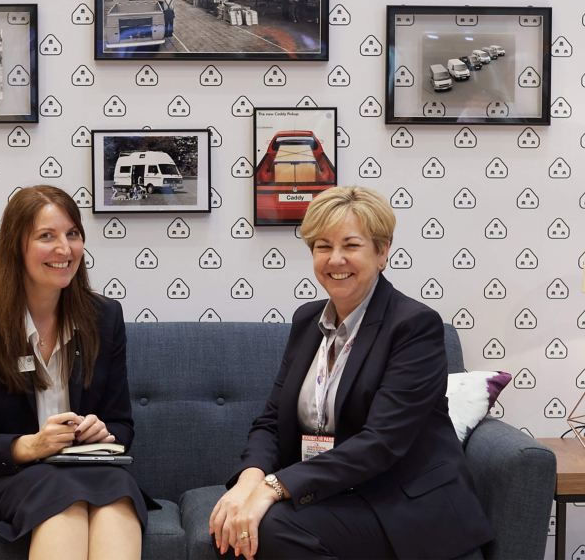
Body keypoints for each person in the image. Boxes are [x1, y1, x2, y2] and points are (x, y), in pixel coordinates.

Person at [209, 186, 493, 560]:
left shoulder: (414, 326)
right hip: (336, 493)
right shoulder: (307, 320)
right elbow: (271, 422)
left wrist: (275, 487)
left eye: (351, 245)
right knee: (235, 526)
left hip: (402, 501)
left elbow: (382, 442)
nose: (335, 259)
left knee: (269, 529)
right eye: (323, 246)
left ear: (382, 253)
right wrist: (248, 483)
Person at [0, 185, 152, 560]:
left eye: (72, 234)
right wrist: (28, 446)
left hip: (80, 471)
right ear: (16, 246)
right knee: (62, 497)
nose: (65, 249)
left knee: (119, 492)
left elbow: (123, 426)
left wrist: (102, 432)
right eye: (47, 236)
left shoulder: (104, 318)